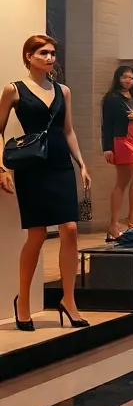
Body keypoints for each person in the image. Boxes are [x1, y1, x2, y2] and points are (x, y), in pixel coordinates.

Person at [0, 35, 91, 330]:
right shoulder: (14, 90)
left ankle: (68, 299)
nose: (50, 57)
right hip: (32, 167)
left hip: (60, 164)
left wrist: (82, 164)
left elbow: (68, 131)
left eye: (53, 53)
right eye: (43, 53)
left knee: (71, 229)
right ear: (29, 56)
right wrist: (1, 168)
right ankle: (23, 300)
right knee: (36, 235)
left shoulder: (63, 90)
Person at [100, 65, 133, 241]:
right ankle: (131, 217)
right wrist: (107, 147)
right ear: (118, 78)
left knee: (122, 182)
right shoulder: (111, 98)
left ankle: (113, 225)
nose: (127, 81)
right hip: (121, 140)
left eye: (130, 78)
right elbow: (106, 123)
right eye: (124, 77)